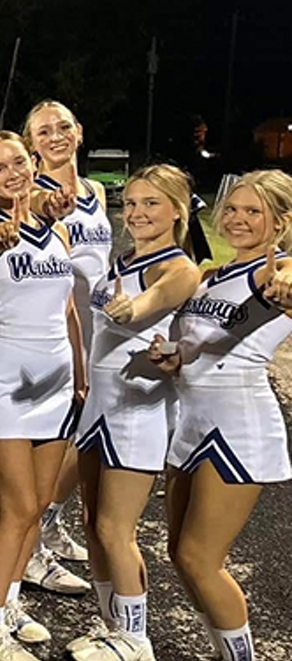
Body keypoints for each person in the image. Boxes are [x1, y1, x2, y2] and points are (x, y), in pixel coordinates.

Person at [154, 170, 292, 661]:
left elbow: (288, 288)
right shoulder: (212, 274)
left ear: (280, 223)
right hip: (190, 420)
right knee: (180, 556)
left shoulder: (276, 273)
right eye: (232, 208)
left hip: (236, 426)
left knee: (199, 557)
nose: (237, 219)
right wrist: (172, 358)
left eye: (253, 212)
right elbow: (194, 347)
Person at [67, 165, 201, 661]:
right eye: (133, 202)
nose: (138, 213)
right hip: (101, 405)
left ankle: (136, 638)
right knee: (89, 522)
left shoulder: (180, 268)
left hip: (137, 411)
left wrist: (129, 310)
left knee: (114, 529)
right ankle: (111, 625)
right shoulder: (122, 257)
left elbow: (148, 304)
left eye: (152, 203)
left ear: (177, 211)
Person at [0, 132, 84, 661]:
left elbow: (67, 309)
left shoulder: (56, 229)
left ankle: (7, 602)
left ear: (32, 164)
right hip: (3, 379)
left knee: (36, 507)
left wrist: (80, 373)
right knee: (16, 508)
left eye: (18, 163)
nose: (12, 173)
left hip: (54, 381)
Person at [24, 100, 109, 593]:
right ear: (32, 144)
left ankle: (49, 526)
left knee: (84, 439)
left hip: (100, 332)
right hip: (56, 338)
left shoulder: (96, 190)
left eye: (62, 127)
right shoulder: (34, 195)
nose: (55, 137)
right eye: (43, 132)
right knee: (48, 448)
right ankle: (32, 548)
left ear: (78, 131)